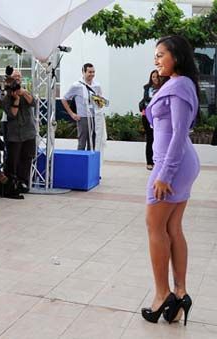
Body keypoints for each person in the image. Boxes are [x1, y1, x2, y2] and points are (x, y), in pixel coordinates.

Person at [140, 35, 201, 326]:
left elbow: (179, 133)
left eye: (161, 54)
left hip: (171, 165)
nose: (156, 59)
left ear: (176, 56)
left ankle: (162, 294)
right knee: (172, 226)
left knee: (155, 226)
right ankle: (180, 293)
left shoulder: (178, 86)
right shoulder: (179, 83)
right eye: (155, 55)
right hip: (179, 163)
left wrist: (163, 174)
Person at [61, 63, 107, 153]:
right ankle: (79, 164)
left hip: (95, 117)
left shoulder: (97, 85)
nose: (92, 74)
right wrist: (72, 114)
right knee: (82, 142)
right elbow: (64, 99)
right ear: (83, 72)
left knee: (93, 143)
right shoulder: (77, 85)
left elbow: (100, 102)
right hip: (83, 117)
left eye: (93, 72)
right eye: (90, 72)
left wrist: (100, 101)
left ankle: (90, 164)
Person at [1, 72, 36, 190]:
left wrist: (24, 93)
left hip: (28, 131)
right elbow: (12, 114)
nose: (16, 81)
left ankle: (23, 182)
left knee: (27, 158)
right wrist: (15, 99)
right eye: (14, 79)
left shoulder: (25, 92)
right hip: (14, 133)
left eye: (18, 78)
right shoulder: (6, 99)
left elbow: (33, 103)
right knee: (13, 159)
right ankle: (11, 183)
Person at [139, 70, 162, 171]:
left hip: (159, 117)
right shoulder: (147, 88)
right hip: (147, 116)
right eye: (153, 77)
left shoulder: (164, 87)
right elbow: (146, 99)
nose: (155, 79)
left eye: (157, 77)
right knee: (150, 139)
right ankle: (149, 162)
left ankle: (158, 161)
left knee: (159, 139)